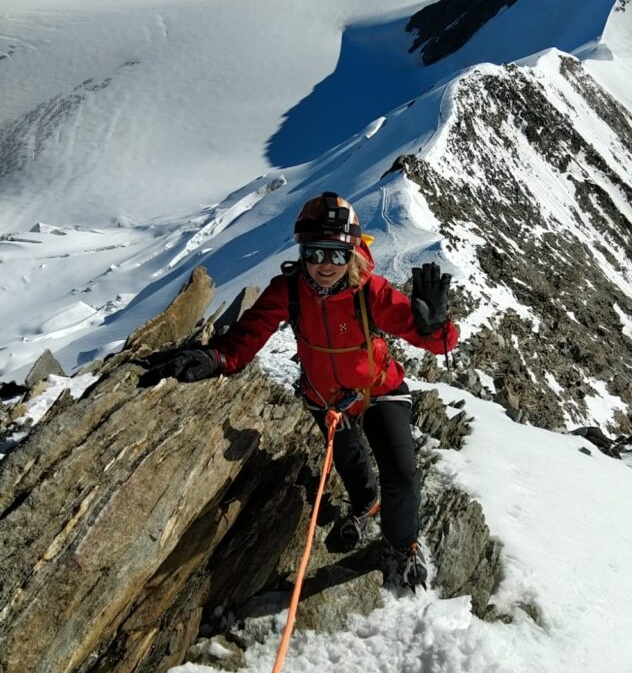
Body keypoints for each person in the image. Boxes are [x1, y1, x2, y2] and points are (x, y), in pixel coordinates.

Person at [142, 192, 458, 589]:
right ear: (303, 252)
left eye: (338, 254)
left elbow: (440, 343)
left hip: (379, 391)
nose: (326, 265)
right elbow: (248, 336)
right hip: (326, 400)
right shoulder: (288, 291)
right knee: (349, 461)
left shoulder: (369, 291)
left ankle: (402, 545)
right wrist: (214, 359)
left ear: (354, 253)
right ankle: (365, 502)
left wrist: (435, 326)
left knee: (402, 476)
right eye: (316, 253)